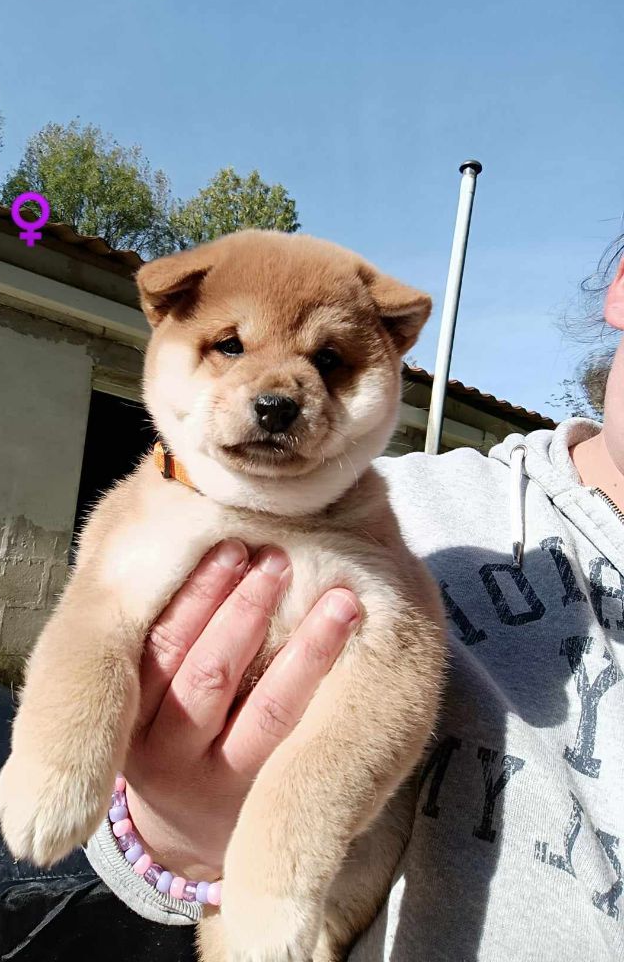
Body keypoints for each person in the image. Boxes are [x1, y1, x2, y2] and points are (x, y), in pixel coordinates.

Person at [86, 241, 624, 960]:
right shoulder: (385, 508)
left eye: (328, 361)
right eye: (231, 346)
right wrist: (176, 830)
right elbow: (121, 849)